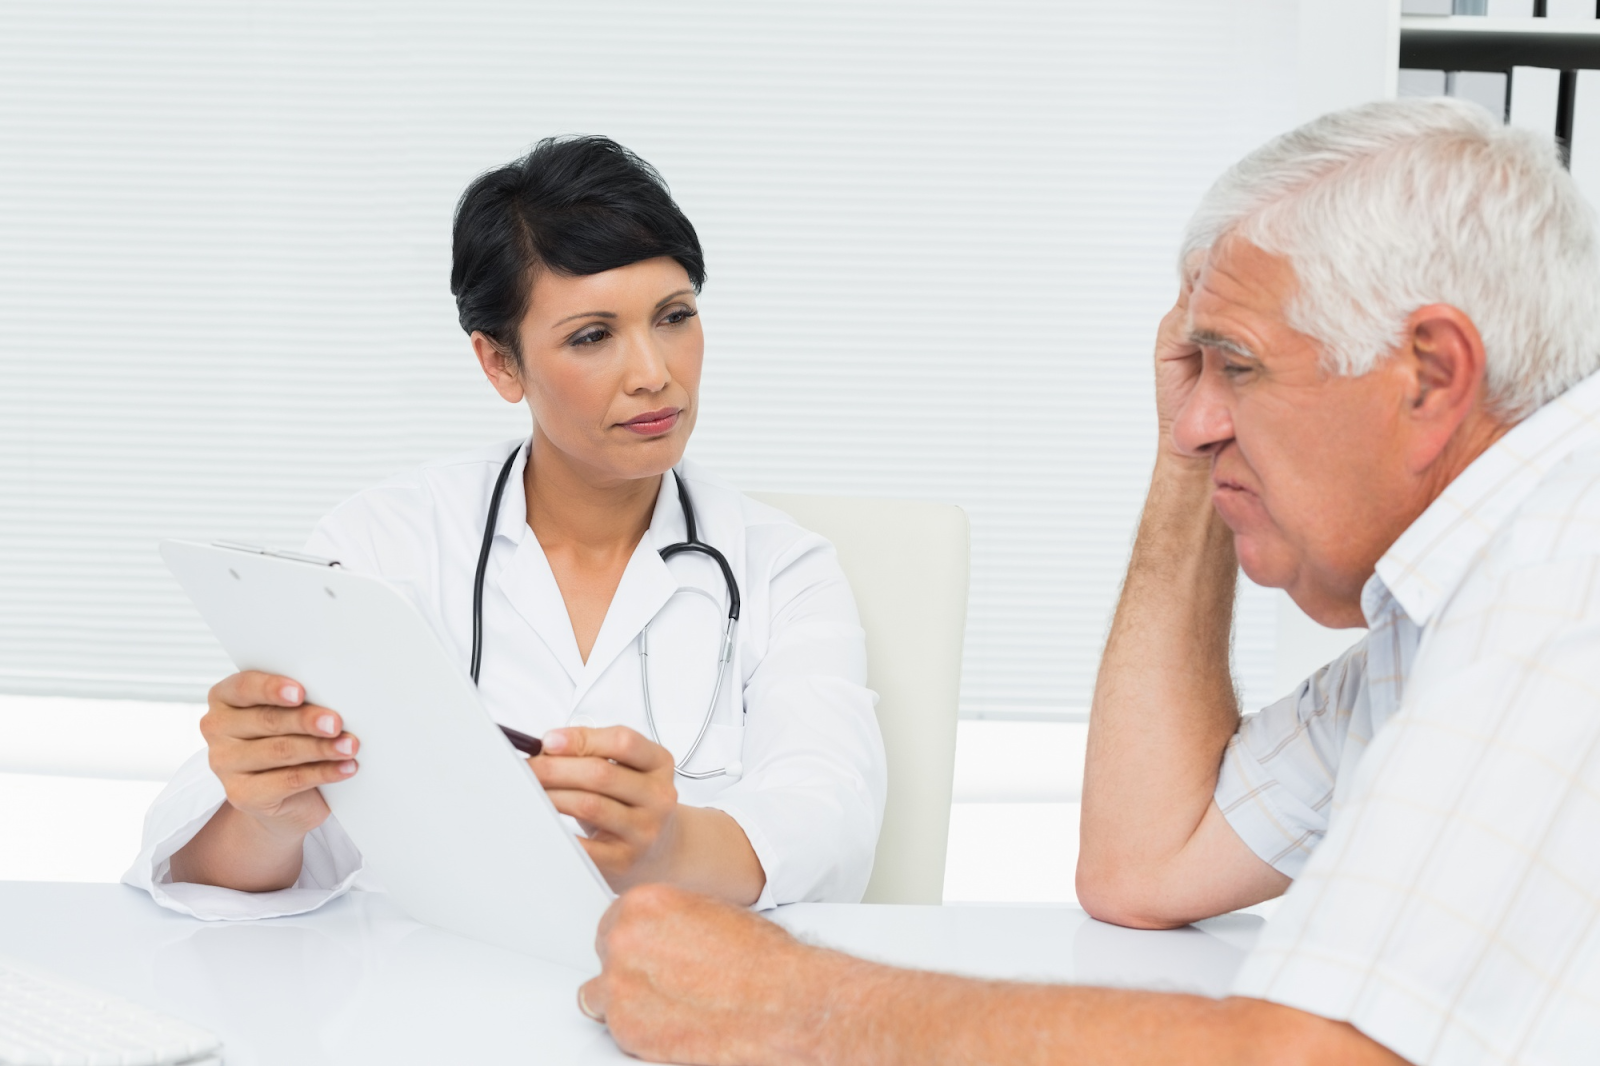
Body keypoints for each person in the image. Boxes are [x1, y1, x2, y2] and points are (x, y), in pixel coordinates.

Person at [576, 99, 1600, 1064]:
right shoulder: (1443, 614)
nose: (1196, 421)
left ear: (1428, 373)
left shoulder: (1556, 587)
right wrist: (1190, 452)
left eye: (1236, 365)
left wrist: (791, 1005)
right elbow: (1144, 865)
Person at [124, 136, 887, 919]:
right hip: (427, 999)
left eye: (674, 317)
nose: (654, 372)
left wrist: (668, 850)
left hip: (678, 1004)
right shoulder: (382, 546)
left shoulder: (782, 567)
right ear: (500, 364)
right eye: (593, 335)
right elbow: (213, 872)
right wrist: (264, 812)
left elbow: (830, 821)